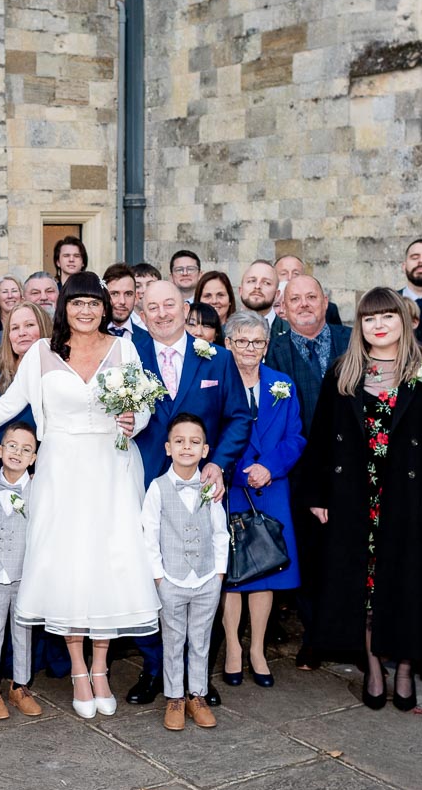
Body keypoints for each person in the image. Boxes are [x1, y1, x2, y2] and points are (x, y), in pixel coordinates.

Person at [0, 272, 161, 719]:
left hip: (112, 470)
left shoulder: (124, 349)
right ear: (65, 308)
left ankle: (101, 668)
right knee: (68, 567)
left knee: (107, 565)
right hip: (60, 472)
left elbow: (147, 404)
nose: (85, 310)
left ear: (104, 307)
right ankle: (78, 668)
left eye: (93, 303)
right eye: (76, 303)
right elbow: (8, 405)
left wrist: (136, 419)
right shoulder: (42, 351)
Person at [305, 288, 422, 712]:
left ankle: (406, 670)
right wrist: (318, 494)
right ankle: (374, 668)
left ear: (403, 322)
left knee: (408, 587)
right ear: (361, 325)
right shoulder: (344, 372)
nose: (379, 325)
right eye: (370, 318)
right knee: (366, 590)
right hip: (356, 497)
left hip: (410, 500)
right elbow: (320, 441)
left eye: (387, 317)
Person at [126, 281, 252, 704]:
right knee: (151, 579)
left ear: (185, 309)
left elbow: (238, 418)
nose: (161, 313)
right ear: (141, 315)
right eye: (152, 307)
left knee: (203, 582)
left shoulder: (217, 359)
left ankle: (199, 677)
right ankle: (155, 670)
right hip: (146, 486)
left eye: (169, 305)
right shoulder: (131, 357)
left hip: (202, 490)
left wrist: (218, 464)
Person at [265, 274, 352, 669]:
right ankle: (315, 638)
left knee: (351, 554)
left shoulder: (352, 340)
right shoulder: (274, 349)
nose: (303, 304)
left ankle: (355, 640)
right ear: (282, 307)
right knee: (310, 556)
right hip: (299, 472)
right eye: (294, 299)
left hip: (354, 466)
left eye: (311, 297)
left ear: (325, 300)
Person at [221, 311, 305, 689]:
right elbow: (210, 434)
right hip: (231, 489)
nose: (249, 349)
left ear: (266, 346)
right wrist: (240, 472)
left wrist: (269, 466)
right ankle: (234, 649)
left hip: (271, 488)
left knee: (265, 570)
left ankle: (257, 648)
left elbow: (295, 438)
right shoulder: (218, 384)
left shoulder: (282, 384)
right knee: (234, 574)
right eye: (242, 341)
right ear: (228, 344)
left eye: (257, 341)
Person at [142, 413, 229, 731]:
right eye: (179, 441)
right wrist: (158, 577)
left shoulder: (211, 488)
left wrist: (219, 574)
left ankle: (197, 696)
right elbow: (148, 535)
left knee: (201, 640)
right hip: (172, 580)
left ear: (205, 450)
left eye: (194, 442)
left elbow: (221, 532)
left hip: (206, 578)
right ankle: (175, 698)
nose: (187, 447)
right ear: (168, 448)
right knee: (174, 639)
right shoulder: (158, 488)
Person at [0, 420, 41, 720]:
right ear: (0, 450)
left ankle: (20, 685)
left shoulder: (40, 492)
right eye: (12, 446)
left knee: (23, 631)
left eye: (26, 449)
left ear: (34, 458)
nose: (18, 452)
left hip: (25, 573)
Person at [0, 302, 50, 447]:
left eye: (29, 325)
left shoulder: (56, 376)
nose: (22, 333)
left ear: (44, 327)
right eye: (15, 328)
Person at [236, 261, 279, 325]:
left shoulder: (292, 332)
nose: (257, 286)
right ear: (240, 290)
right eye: (251, 281)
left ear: (276, 294)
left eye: (266, 283)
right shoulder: (221, 332)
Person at [102, 263, 139, 337]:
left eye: (128, 294)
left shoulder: (148, 339)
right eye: (115, 294)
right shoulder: (90, 335)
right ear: (104, 296)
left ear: (136, 298)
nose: (122, 301)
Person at [131, 262, 162, 330]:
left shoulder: (167, 317)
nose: (144, 290)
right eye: (137, 286)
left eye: (150, 285)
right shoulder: (124, 322)